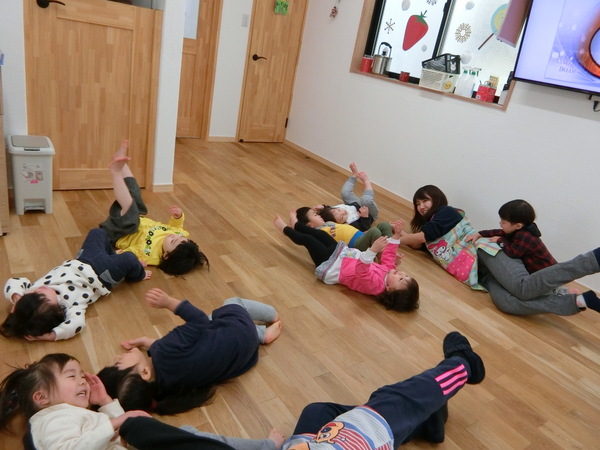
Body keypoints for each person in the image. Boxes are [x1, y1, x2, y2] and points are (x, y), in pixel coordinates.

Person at [118, 331, 485, 450]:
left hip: (317, 438)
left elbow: (204, 441)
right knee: (399, 397)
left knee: (318, 410)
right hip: (368, 432)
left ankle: (427, 423)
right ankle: (464, 365)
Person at [399, 185, 600, 316]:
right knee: (507, 303)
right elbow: (417, 243)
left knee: (523, 288)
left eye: (425, 200)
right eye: (417, 203)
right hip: (479, 274)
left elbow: (421, 237)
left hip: (485, 252)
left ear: (437, 199)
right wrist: (400, 233)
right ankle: (579, 301)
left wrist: (396, 239)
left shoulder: (446, 212)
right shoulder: (431, 232)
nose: (421, 206)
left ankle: (593, 260)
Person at [97, 288, 282, 415]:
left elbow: (177, 356)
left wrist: (147, 342)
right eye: (118, 362)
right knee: (231, 303)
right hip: (240, 333)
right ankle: (271, 317)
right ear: (145, 372)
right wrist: (169, 302)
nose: (117, 356)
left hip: (245, 356)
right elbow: (199, 321)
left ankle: (259, 334)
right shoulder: (165, 349)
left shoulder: (168, 387)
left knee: (209, 329)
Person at [1, 226, 150, 341]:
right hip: (103, 275)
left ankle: (111, 255)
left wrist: (17, 298)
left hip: (83, 259)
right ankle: (138, 274)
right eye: (44, 295)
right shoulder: (70, 306)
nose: (41, 289)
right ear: (58, 311)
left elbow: (14, 282)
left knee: (98, 232)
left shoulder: (30, 294)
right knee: (130, 258)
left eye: (35, 293)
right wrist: (52, 335)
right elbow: (76, 325)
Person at [99, 139, 209, 276]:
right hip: (137, 218)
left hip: (118, 232)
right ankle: (121, 163)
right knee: (135, 193)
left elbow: (128, 254)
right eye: (179, 236)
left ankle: (116, 172)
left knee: (131, 210)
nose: (173, 235)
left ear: (166, 256)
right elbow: (177, 227)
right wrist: (178, 217)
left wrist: (133, 263)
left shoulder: (149, 254)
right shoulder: (179, 235)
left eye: (173, 240)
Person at [274, 211, 419, 312]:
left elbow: (361, 271)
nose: (402, 274)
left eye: (401, 279)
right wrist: (396, 236)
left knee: (308, 240)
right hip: (342, 254)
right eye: (407, 276)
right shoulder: (389, 273)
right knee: (320, 233)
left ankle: (285, 229)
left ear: (390, 289)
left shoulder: (375, 286)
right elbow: (389, 256)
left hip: (331, 265)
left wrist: (372, 250)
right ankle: (297, 226)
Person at [0, 353, 150, 449]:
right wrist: (115, 423)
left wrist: (105, 401)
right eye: (72, 376)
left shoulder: (67, 416)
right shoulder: (53, 420)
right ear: (42, 397)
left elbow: (122, 430)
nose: (83, 381)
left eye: (82, 376)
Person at [465, 199, 557, 274]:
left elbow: (513, 253)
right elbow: (500, 232)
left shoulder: (525, 236)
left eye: (503, 222)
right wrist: (479, 234)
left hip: (546, 273)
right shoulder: (518, 229)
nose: (500, 223)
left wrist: (500, 240)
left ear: (518, 225)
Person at [313, 162, 379, 232]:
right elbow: (364, 227)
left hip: (354, 204)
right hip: (368, 212)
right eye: (342, 217)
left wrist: (323, 207)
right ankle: (367, 183)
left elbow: (330, 209)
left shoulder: (334, 213)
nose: (343, 212)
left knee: (344, 193)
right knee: (366, 200)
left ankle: (354, 175)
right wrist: (365, 217)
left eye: (339, 210)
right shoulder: (350, 224)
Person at [296, 207, 393, 252]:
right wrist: (295, 223)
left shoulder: (328, 223)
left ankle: (390, 250)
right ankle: (384, 256)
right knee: (375, 231)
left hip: (362, 236)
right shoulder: (318, 232)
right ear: (310, 225)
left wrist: (323, 206)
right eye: (315, 215)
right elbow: (304, 234)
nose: (319, 216)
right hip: (355, 245)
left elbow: (331, 211)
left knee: (384, 225)